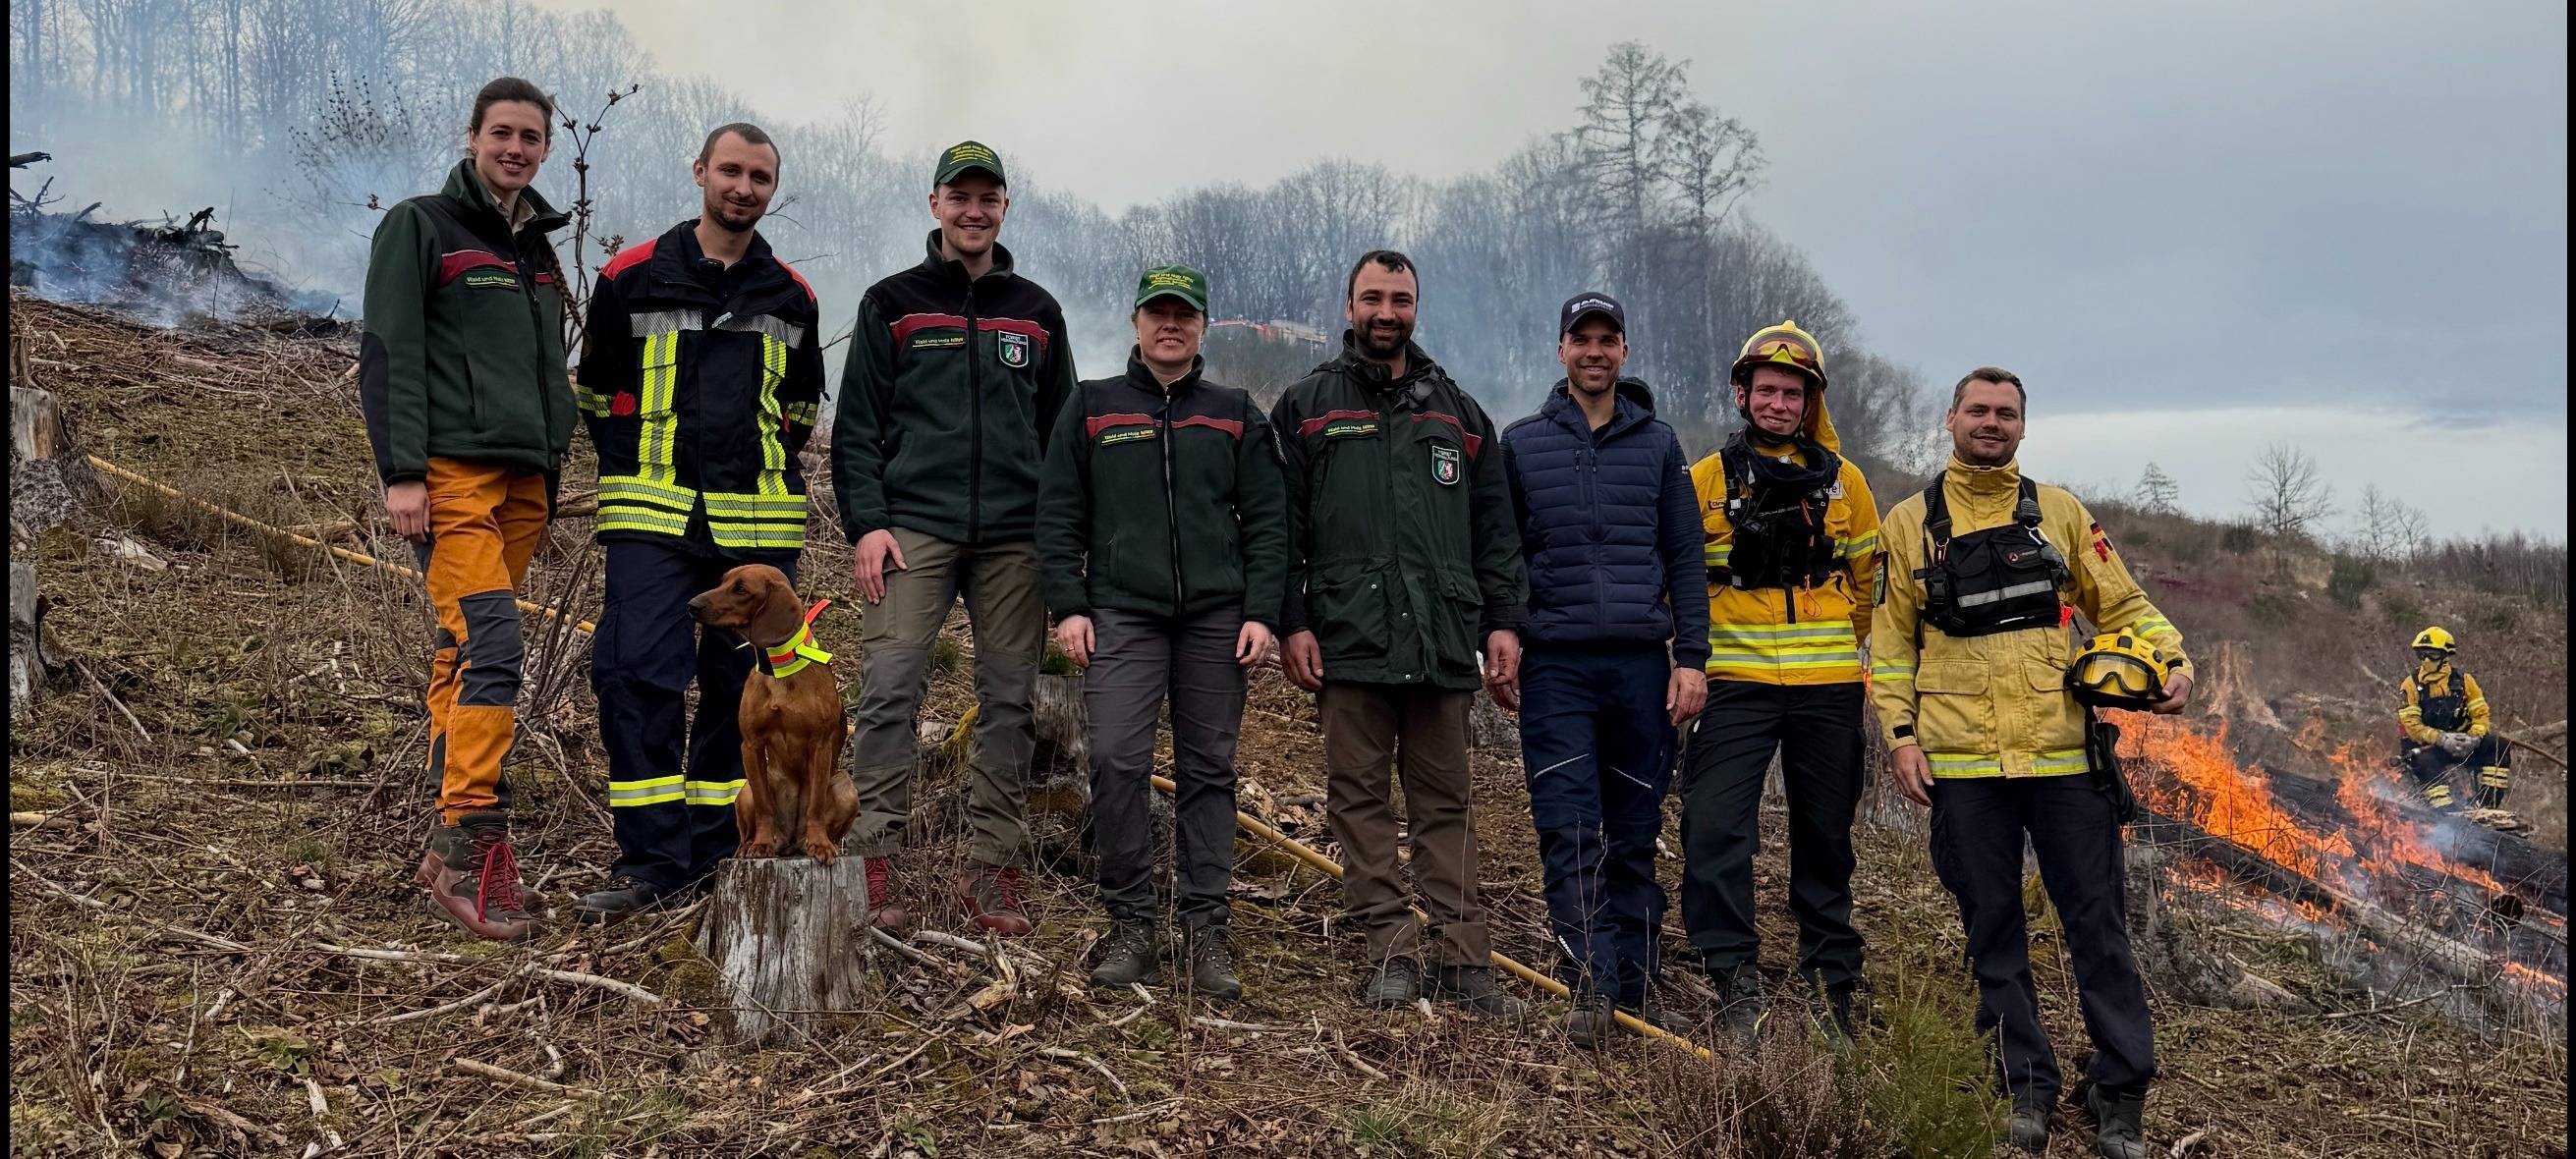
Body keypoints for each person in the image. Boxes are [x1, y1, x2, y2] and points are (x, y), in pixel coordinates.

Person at [1872, 367, 2193, 1159]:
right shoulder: (1908, 523)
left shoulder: (2060, 513)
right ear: (1950, 419)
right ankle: (2023, 1087)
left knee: (2099, 929)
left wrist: (2169, 655)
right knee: (1994, 931)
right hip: (1963, 767)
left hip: (2064, 763)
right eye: (1977, 410)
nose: (1991, 422)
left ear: (2023, 425)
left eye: (2005, 413)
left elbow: (2122, 604)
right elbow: (1888, 642)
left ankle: (2119, 1092)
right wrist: (1901, 736)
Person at [570, 123, 824, 921]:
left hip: (755, 533)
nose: (743, 188)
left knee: (738, 696)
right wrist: (635, 462)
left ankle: (720, 847)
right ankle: (650, 860)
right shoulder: (631, 275)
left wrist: (753, 469)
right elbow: (596, 392)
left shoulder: (794, 295)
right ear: (700, 173)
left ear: (771, 190)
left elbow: (801, 410)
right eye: (731, 171)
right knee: (635, 677)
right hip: (653, 519)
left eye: (759, 177)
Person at [1271, 249, 1528, 1018]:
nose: (1387, 313)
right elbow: (1280, 529)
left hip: (1444, 640)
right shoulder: (1307, 404)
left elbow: (1497, 532)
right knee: (1359, 802)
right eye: (1373, 298)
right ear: (1349, 306)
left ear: (1417, 307)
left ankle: (1463, 963)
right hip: (1348, 638)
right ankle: (1389, 952)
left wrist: (1506, 623)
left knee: (1446, 804)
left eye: (1402, 299)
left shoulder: (1459, 411)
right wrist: (1292, 620)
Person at [831, 141, 1077, 936]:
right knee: (891, 687)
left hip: (1015, 540)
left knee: (1010, 702)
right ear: (934, 204)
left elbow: (1062, 434)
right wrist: (867, 525)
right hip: (914, 530)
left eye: (990, 197)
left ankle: (992, 870)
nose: (975, 210)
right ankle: (870, 861)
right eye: (960, 196)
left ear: (1005, 207)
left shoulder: (1037, 313)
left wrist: (1059, 537)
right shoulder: (891, 303)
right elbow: (857, 429)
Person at [360, 77, 576, 942]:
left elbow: (545, 367)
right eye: (502, 133)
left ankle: (446, 834)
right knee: (493, 640)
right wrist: (402, 472)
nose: (515, 148)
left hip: (525, 479)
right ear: (474, 135)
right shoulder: (421, 225)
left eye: (530, 137)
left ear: (546, 149)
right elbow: (389, 350)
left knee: (464, 641)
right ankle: (467, 846)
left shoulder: (540, 250)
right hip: (448, 474)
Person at [1037, 264, 1287, 1002]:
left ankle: (1207, 931)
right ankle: (1133, 926)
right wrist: (1070, 606)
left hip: (1217, 618)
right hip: (1121, 613)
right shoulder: (1091, 407)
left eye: (1184, 314)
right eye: (1157, 313)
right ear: (1136, 323)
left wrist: (1262, 612)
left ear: (1203, 326)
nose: (1169, 325)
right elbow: (1058, 517)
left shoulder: (1236, 411)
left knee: (1209, 772)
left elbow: (1271, 522)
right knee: (1116, 762)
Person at [1495, 292, 1708, 1047]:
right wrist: (1505, 633)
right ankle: (1591, 988)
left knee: (1635, 828)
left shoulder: (1659, 445)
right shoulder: (1520, 444)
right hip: (1556, 667)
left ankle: (1637, 987)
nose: (1594, 351)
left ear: (1623, 351)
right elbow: (1504, 556)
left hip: (1641, 669)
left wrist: (1692, 659)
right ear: (1560, 350)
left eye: (1607, 339)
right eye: (1580, 339)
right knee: (1568, 826)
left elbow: (1686, 559)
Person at [1676, 319, 1882, 1043]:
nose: (1777, 403)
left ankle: (1831, 983)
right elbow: (1677, 579)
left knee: (1825, 835)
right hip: (1732, 680)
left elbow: (1867, 584)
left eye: (1792, 393)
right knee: (1712, 825)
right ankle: (1732, 973)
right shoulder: (1702, 479)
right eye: (1765, 389)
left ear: (1811, 401)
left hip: (1827, 686)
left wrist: (1837, 648)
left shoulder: (1845, 482)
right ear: (1743, 393)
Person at [2394, 626, 2510, 812]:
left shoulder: (2465, 682)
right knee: (2424, 762)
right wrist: (2441, 739)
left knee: (2499, 746)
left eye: (2431, 655)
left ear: (2445, 656)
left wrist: (2474, 738)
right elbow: (2412, 726)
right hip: (2427, 748)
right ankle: (2448, 813)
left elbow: (2481, 715)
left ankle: (2487, 806)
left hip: (2462, 744)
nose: (2426, 660)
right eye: (2421, 655)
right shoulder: (2411, 685)